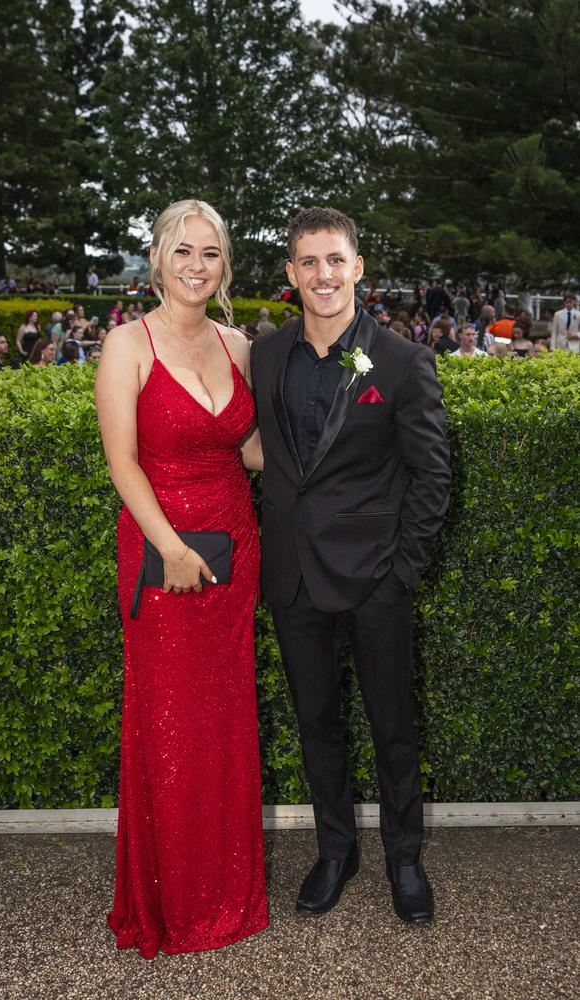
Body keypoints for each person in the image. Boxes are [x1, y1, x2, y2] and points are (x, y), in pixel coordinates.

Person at [250, 206, 450, 926]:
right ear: (291, 275)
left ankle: (404, 856)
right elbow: (259, 453)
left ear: (357, 268)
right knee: (316, 721)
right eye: (308, 262)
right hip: (294, 577)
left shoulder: (400, 362)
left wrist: (402, 571)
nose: (323, 274)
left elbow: (431, 477)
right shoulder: (265, 356)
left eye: (335, 260)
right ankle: (336, 848)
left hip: (376, 580)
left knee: (393, 724)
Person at [96, 198, 269, 959]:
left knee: (224, 721)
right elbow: (122, 462)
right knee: (170, 725)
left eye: (211, 254)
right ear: (159, 258)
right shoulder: (125, 344)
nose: (197, 267)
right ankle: (172, 904)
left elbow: (258, 451)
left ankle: (230, 894)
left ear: (224, 265)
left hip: (236, 555)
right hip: (164, 557)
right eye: (184, 252)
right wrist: (167, 545)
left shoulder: (240, 345)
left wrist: (351, 430)